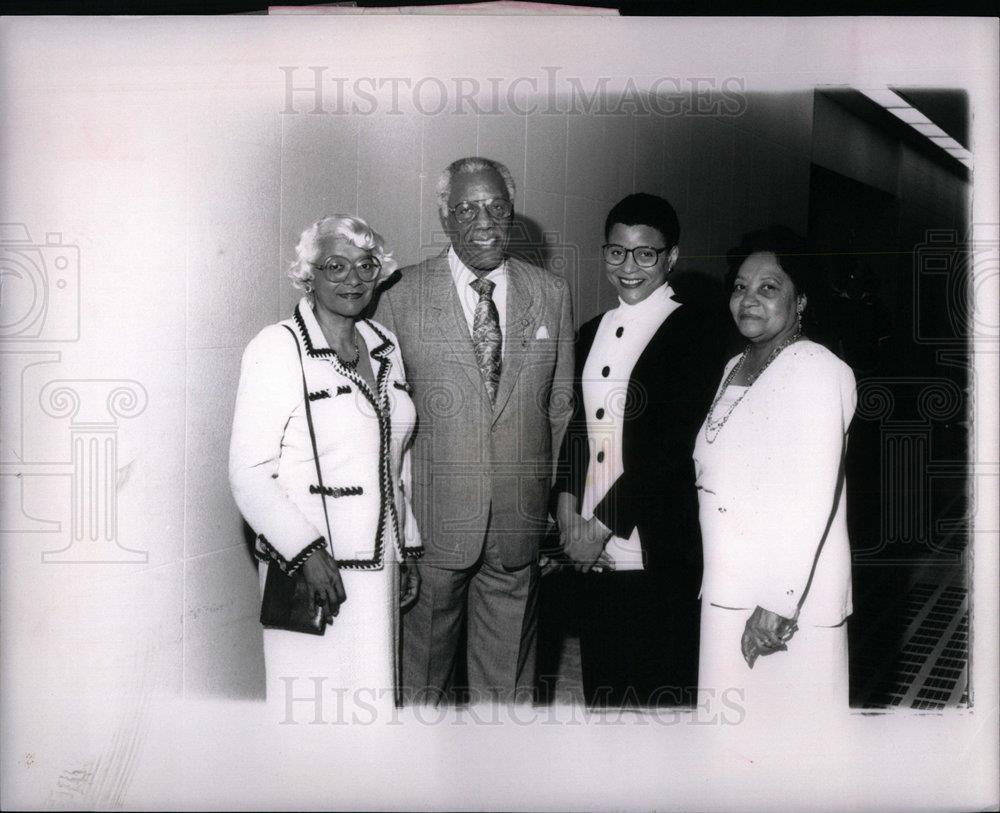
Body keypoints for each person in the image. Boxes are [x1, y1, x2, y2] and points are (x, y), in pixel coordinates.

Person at [374, 156, 574, 704]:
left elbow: (558, 409)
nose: (484, 221)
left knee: (507, 688)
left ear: (512, 213)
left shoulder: (550, 294)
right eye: (467, 208)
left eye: (496, 207)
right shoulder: (399, 295)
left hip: (517, 526)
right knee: (421, 687)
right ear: (445, 217)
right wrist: (399, 528)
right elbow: (385, 425)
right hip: (431, 531)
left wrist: (543, 501)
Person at [229, 214, 423, 710]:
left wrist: (407, 548)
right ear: (307, 275)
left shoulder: (383, 344)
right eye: (335, 266)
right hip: (313, 572)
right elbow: (248, 474)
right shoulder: (277, 348)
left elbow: (395, 459)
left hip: (378, 567)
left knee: (372, 704)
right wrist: (306, 552)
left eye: (365, 265)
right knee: (312, 711)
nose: (353, 280)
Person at [553, 192, 730, 708]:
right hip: (588, 541)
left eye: (645, 253)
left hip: (652, 541)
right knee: (603, 689)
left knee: (659, 694)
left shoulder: (698, 330)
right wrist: (567, 516)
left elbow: (670, 448)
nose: (628, 267)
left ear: (671, 257)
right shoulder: (590, 331)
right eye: (616, 252)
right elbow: (577, 431)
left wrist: (598, 528)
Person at [694, 225, 857, 712]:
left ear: (801, 300)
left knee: (788, 755)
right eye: (741, 286)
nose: (749, 299)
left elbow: (811, 493)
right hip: (729, 584)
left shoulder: (815, 367)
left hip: (785, 602)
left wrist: (778, 602)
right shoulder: (734, 366)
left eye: (769, 287)